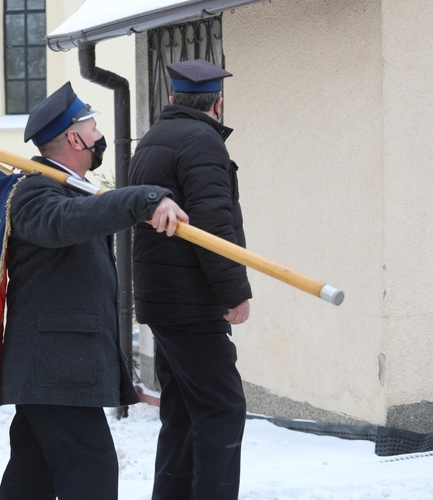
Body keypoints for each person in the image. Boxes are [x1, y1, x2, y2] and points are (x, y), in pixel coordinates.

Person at [0, 81, 188, 500]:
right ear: (74, 137)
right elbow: (68, 221)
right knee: (92, 474)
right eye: (94, 127)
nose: (100, 136)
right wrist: (144, 201)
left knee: (31, 477)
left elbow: (85, 212)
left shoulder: (69, 189)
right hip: (56, 367)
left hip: (55, 370)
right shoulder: (35, 191)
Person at [128, 58, 253, 500]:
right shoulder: (202, 142)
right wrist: (235, 292)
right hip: (191, 302)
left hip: (161, 300)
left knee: (182, 411)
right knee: (222, 408)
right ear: (217, 104)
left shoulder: (151, 139)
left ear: (171, 99)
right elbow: (214, 224)